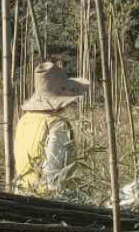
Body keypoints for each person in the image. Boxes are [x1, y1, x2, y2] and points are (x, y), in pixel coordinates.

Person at [14, 62, 89, 195]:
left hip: (22, 194)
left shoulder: (23, 121)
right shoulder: (57, 125)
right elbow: (52, 176)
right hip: (45, 201)